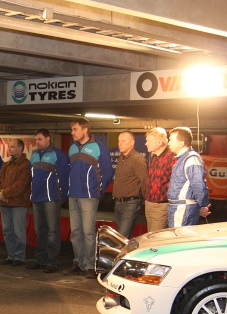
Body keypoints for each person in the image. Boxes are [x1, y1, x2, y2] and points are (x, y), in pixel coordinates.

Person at [64, 119, 112, 278]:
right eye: (72, 129)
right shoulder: (72, 148)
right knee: (76, 232)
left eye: (75, 129)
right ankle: (78, 263)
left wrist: (97, 190)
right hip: (73, 195)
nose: (72, 132)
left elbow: (107, 172)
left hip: (89, 196)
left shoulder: (98, 147)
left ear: (85, 130)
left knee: (88, 232)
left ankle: (90, 266)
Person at [28, 128, 69, 273]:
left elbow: (64, 178)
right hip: (37, 198)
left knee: (52, 231)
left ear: (48, 139)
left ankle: (52, 262)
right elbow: (31, 177)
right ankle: (40, 259)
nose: (37, 142)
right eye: (36, 139)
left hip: (51, 198)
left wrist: (62, 196)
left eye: (39, 139)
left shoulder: (58, 155)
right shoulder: (34, 155)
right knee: (40, 230)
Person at [0, 138, 31, 266]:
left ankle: (19, 257)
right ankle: (11, 256)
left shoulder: (26, 165)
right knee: (7, 231)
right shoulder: (6, 165)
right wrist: (0, 193)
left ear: (20, 148)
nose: (9, 149)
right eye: (10, 146)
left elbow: (22, 185)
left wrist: (4, 194)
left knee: (18, 232)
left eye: (12, 147)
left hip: (18, 204)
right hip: (5, 203)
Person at [167, 126, 211, 227]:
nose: (169, 143)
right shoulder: (183, 159)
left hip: (183, 208)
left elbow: (199, 185)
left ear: (181, 143)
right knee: (176, 235)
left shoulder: (191, 159)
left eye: (171, 140)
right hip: (178, 207)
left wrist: (203, 205)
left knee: (180, 236)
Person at [112, 131, 146, 239]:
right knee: (119, 237)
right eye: (119, 141)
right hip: (118, 203)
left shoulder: (137, 159)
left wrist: (145, 201)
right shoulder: (121, 158)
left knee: (122, 237)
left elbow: (145, 181)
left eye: (123, 141)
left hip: (131, 203)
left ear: (132, 143)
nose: (120, 143)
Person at [143, 127, 176, 232]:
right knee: (149, 236)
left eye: (149, 141)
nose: (146, 144)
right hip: (149, 203)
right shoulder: (154, 157)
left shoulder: (172, 157)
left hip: (161, 206)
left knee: (155, 238)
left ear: (159, 142)